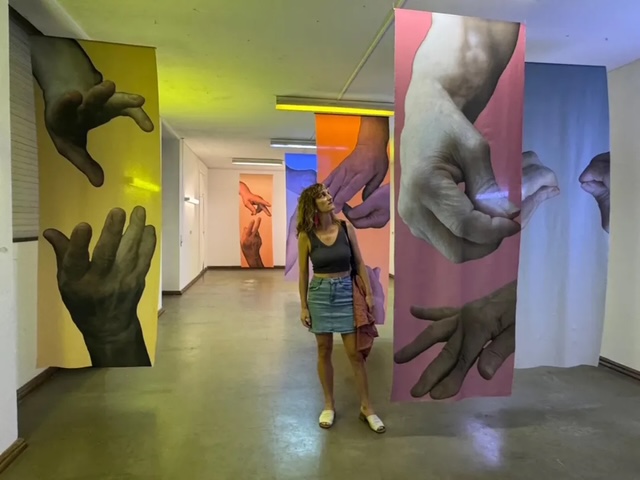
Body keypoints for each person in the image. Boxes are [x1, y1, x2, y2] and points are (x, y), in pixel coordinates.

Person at [296, 183, 385, 433]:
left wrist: (368, 294)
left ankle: (367, 407)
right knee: (323, 350)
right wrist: (304, 306)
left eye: (327, 193)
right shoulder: (306, 236)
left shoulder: (346, 228)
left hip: (347, 292)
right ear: (312, 205)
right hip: (320, 294)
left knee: (355, 354)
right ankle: (329, 405)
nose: (328, 197)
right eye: (322, 196)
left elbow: (360, 262)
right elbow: (303, 273)